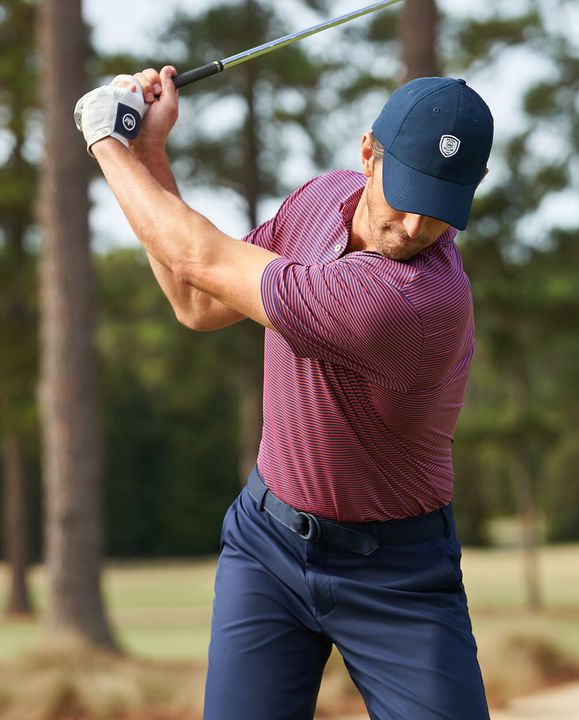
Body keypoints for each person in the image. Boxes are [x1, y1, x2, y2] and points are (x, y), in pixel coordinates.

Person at [74, 65, 494, 719]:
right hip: (266, 548)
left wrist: (106, 139)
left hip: (398, 577)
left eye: (442, 207)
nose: (415, 225)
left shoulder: (415, 303)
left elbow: (200, 260)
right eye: (407, 192)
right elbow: (194, 301)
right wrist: (150, 152)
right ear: (366, 154)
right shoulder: (320, 199)